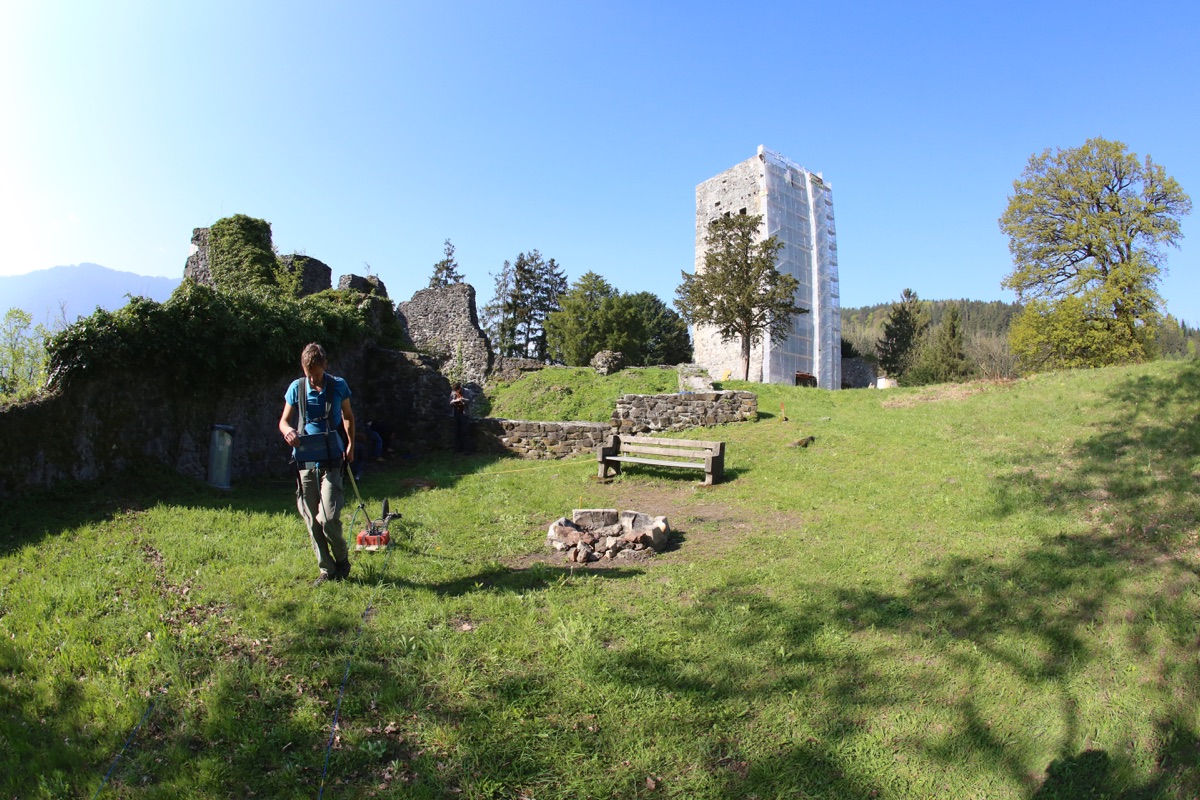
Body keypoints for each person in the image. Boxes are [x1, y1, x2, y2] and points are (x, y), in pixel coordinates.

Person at [279, 343, 355, 585]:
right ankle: (327, 569)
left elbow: (348, 416)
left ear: (325, 366)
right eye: (308, 374)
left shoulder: (338, 386)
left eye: (317, 374)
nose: (312, 379)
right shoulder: (296, 388)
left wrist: (351, 444)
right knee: (311, 519)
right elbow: (283, 421)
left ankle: (342, 560)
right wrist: (288, 432)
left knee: (328, 518)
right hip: (305, 462)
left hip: (332, 460)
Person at [450, 381, 470, 453]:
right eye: (455, 391)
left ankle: (467, 449)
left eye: (457, 390)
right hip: (456, 413)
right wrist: (454, 401)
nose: (456, 392)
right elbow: (450, 401)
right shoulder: (453, 392)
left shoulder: (466, 391)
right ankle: (457, 449)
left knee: (465, 431)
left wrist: (463, 399)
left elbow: (470, 401)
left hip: (464, 414)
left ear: (460, 388)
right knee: (456, 431)